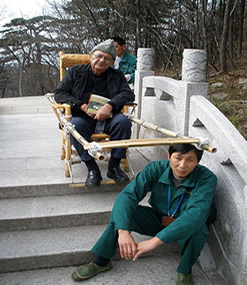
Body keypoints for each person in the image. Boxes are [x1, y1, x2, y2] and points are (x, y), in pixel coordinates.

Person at [71, 144, 217, 285]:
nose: (182, 165)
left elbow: (195, 215)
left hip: (185, 226)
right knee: (123, 212)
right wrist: (123, 231)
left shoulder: (206, 178)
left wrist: (154, 242)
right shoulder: (155, 168)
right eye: (178, 158)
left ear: (198, 162)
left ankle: (185, 271)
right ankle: (102, 261)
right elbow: (127, 196)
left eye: (190, 160)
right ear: (169, 156)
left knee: (199, 229)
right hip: (159, 219)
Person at [54, 39, 135, 187]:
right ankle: (92, 168)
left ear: (112, 62)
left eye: (107, 58)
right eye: (98, 56)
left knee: (123, 122)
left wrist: (110, 105)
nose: (101, 60)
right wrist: (81, 106)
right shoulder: (75, 72)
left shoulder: (116, 75)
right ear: (91, 56)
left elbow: (128, 94)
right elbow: (59, 93)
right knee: (74, 126)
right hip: (83, 117)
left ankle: (114, 167)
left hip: (109, 117)